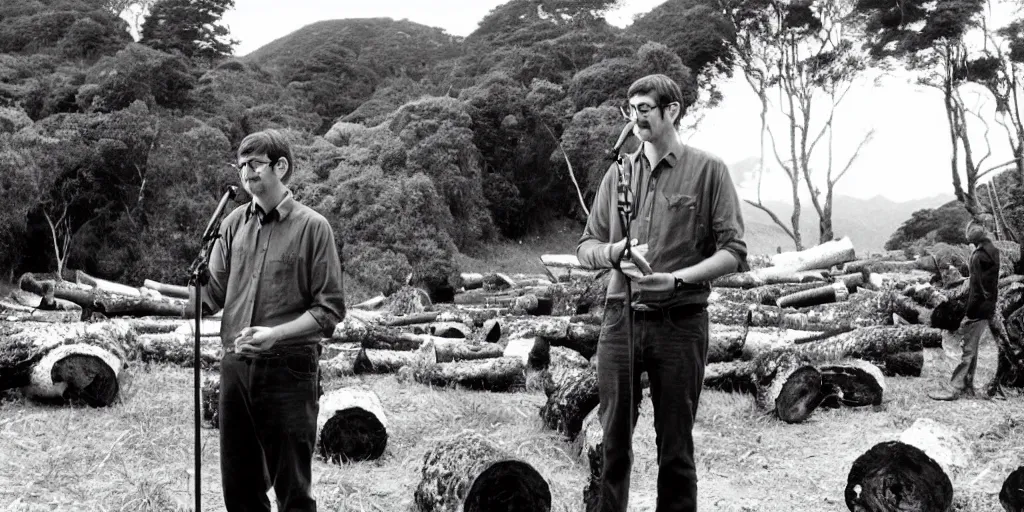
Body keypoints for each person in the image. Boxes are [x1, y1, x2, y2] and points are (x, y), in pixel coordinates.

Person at [576, 74, 748, 512]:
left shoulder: (709, 171)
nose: (635, 117)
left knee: (675, 450)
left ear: (672, 111)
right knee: (612, 445)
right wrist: (614, 252)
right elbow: (585, 247)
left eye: (645, 107)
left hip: (681, 323)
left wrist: (677, 280)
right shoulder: (618, 174)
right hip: (620, 322)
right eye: (630, 108)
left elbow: (734, 251)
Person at [191, 129, 346, 511]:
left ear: (281, 166)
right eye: (241, 165)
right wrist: (191, 287)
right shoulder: (231, 226)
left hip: (289, 372)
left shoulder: (313, 228)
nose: (246, 172)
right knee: (240, 489)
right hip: (236, 368)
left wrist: (276, 335)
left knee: (292, 491)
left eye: (255, 163)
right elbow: (210, 297)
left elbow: (329, 311)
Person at [929, 220, 1002, 401]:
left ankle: (954, 388)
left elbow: (976, 287)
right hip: (988, 306)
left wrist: (968, 312)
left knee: (967, 351)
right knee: (973, 349)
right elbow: (989, 285)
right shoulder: (993, 251)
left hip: (978, 309)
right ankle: (968, 385)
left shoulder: (978, 256)